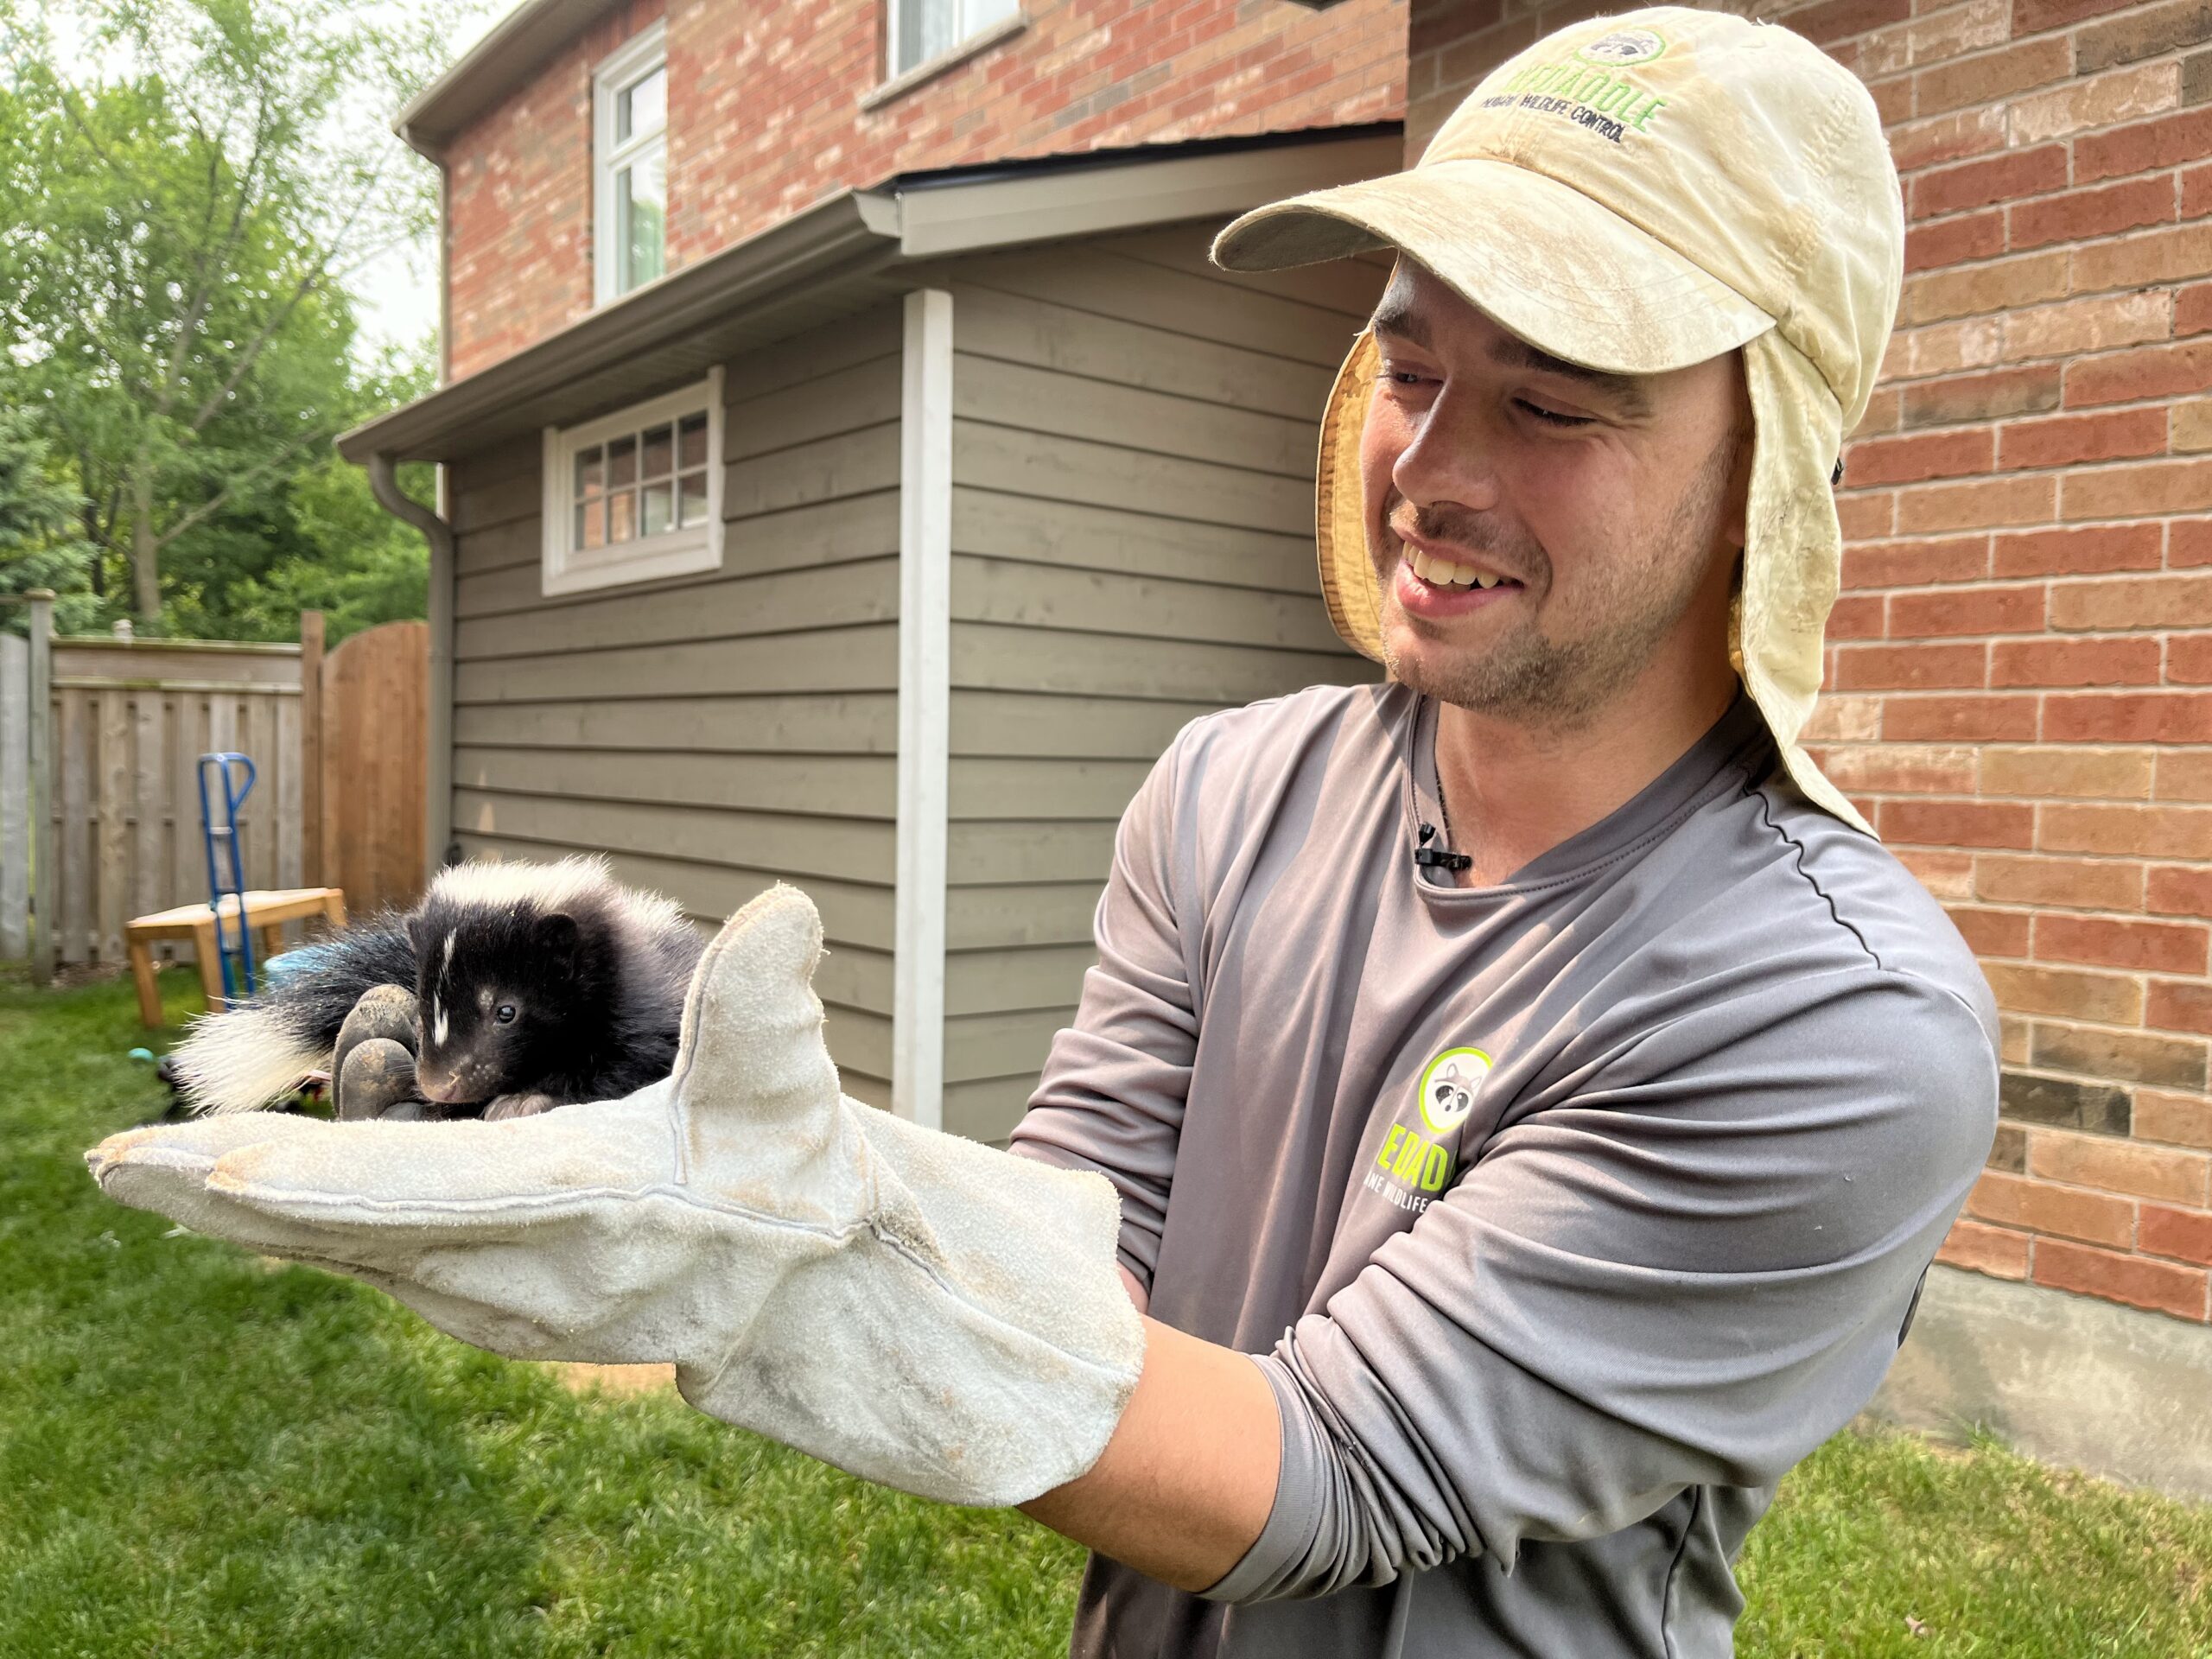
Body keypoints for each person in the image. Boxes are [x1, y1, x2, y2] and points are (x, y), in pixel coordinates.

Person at [89, 10, 1999, 1657]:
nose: (1433, 468)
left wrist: (790, 1279)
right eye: (1406, 370)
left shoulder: (1823, 1019)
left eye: (1555, 401)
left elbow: (1329, 1477)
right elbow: (1089, 1239)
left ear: (1764, 476)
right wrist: (733, 1165)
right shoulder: (1229, 790)